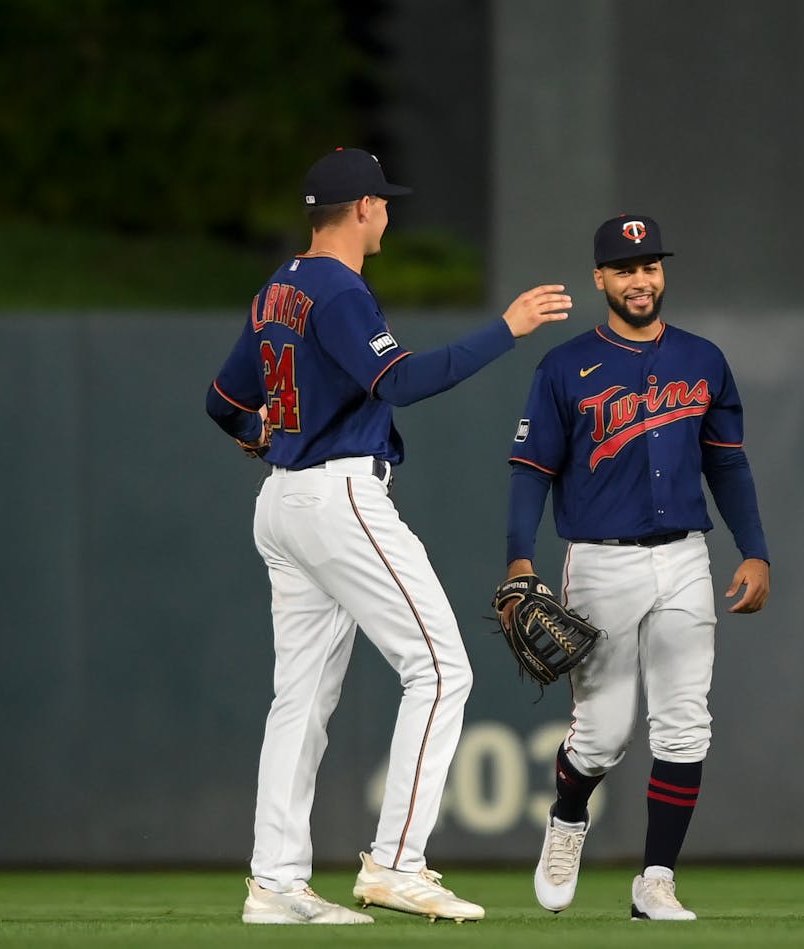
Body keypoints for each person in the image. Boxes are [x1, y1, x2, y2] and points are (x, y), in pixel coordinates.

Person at [205, 146, 571, 925]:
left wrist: (253, 429)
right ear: (363, 209)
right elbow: (400, 380)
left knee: (298, 701)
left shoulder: (279, 287)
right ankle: (398, 862)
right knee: (441, 669)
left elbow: (222, 400)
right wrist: (507, 328)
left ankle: (274, 883)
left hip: (282, 502)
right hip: (339, 495)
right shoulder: (340, 290)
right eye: (384, 202)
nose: (388, 213)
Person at [503, 214, 771, 921]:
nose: (640, 278)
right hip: (599, 562)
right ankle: (567, 818)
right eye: (625, 268)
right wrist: (519, 557)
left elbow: (728, 462)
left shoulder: (703, 358)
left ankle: (655, 880)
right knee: (602, 735)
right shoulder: (564, 366)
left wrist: (755, 548)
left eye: (649, 264)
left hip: (686, 555)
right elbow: (531, 470)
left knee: (684, 725)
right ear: (601, 278)